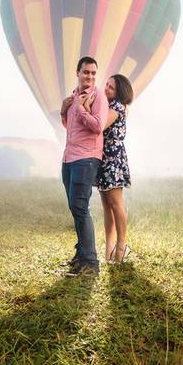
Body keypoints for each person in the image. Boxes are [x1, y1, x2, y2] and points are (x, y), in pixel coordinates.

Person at [58, 56, 108, 276]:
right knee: (74, 207)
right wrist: (64, 110)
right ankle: (81, 256)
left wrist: (81, 109)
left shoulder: (98, 97)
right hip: (69, 158)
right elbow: (70, 127)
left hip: (87, 158)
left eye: (93, 73)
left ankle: (90, 263)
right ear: (77, 73)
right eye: (86, 72)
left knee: (80, 207)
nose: (89, 76)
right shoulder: (73, 97)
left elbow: (98, 127)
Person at [94, 74, 133, 264]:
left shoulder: (117, 107)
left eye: (111, 88)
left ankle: (121, 247)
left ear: (119, 93)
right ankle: (108, 250)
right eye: (106, 85)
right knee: (106, 207)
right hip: (103, 157)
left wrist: (85, 107)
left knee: (116, 204)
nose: (106, 89)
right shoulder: (108, 106)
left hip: (113, 158)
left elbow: (99, 126)